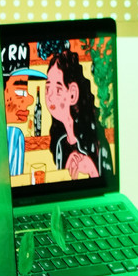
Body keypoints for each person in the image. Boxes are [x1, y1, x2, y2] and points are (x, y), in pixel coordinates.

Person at [45, 49, 113, 180]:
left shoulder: (97, 141)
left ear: (73, 94)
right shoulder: (60, 144)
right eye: (48, 88)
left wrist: (91, 169)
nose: (50, 96)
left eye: (58, 89)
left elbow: (108, 182)